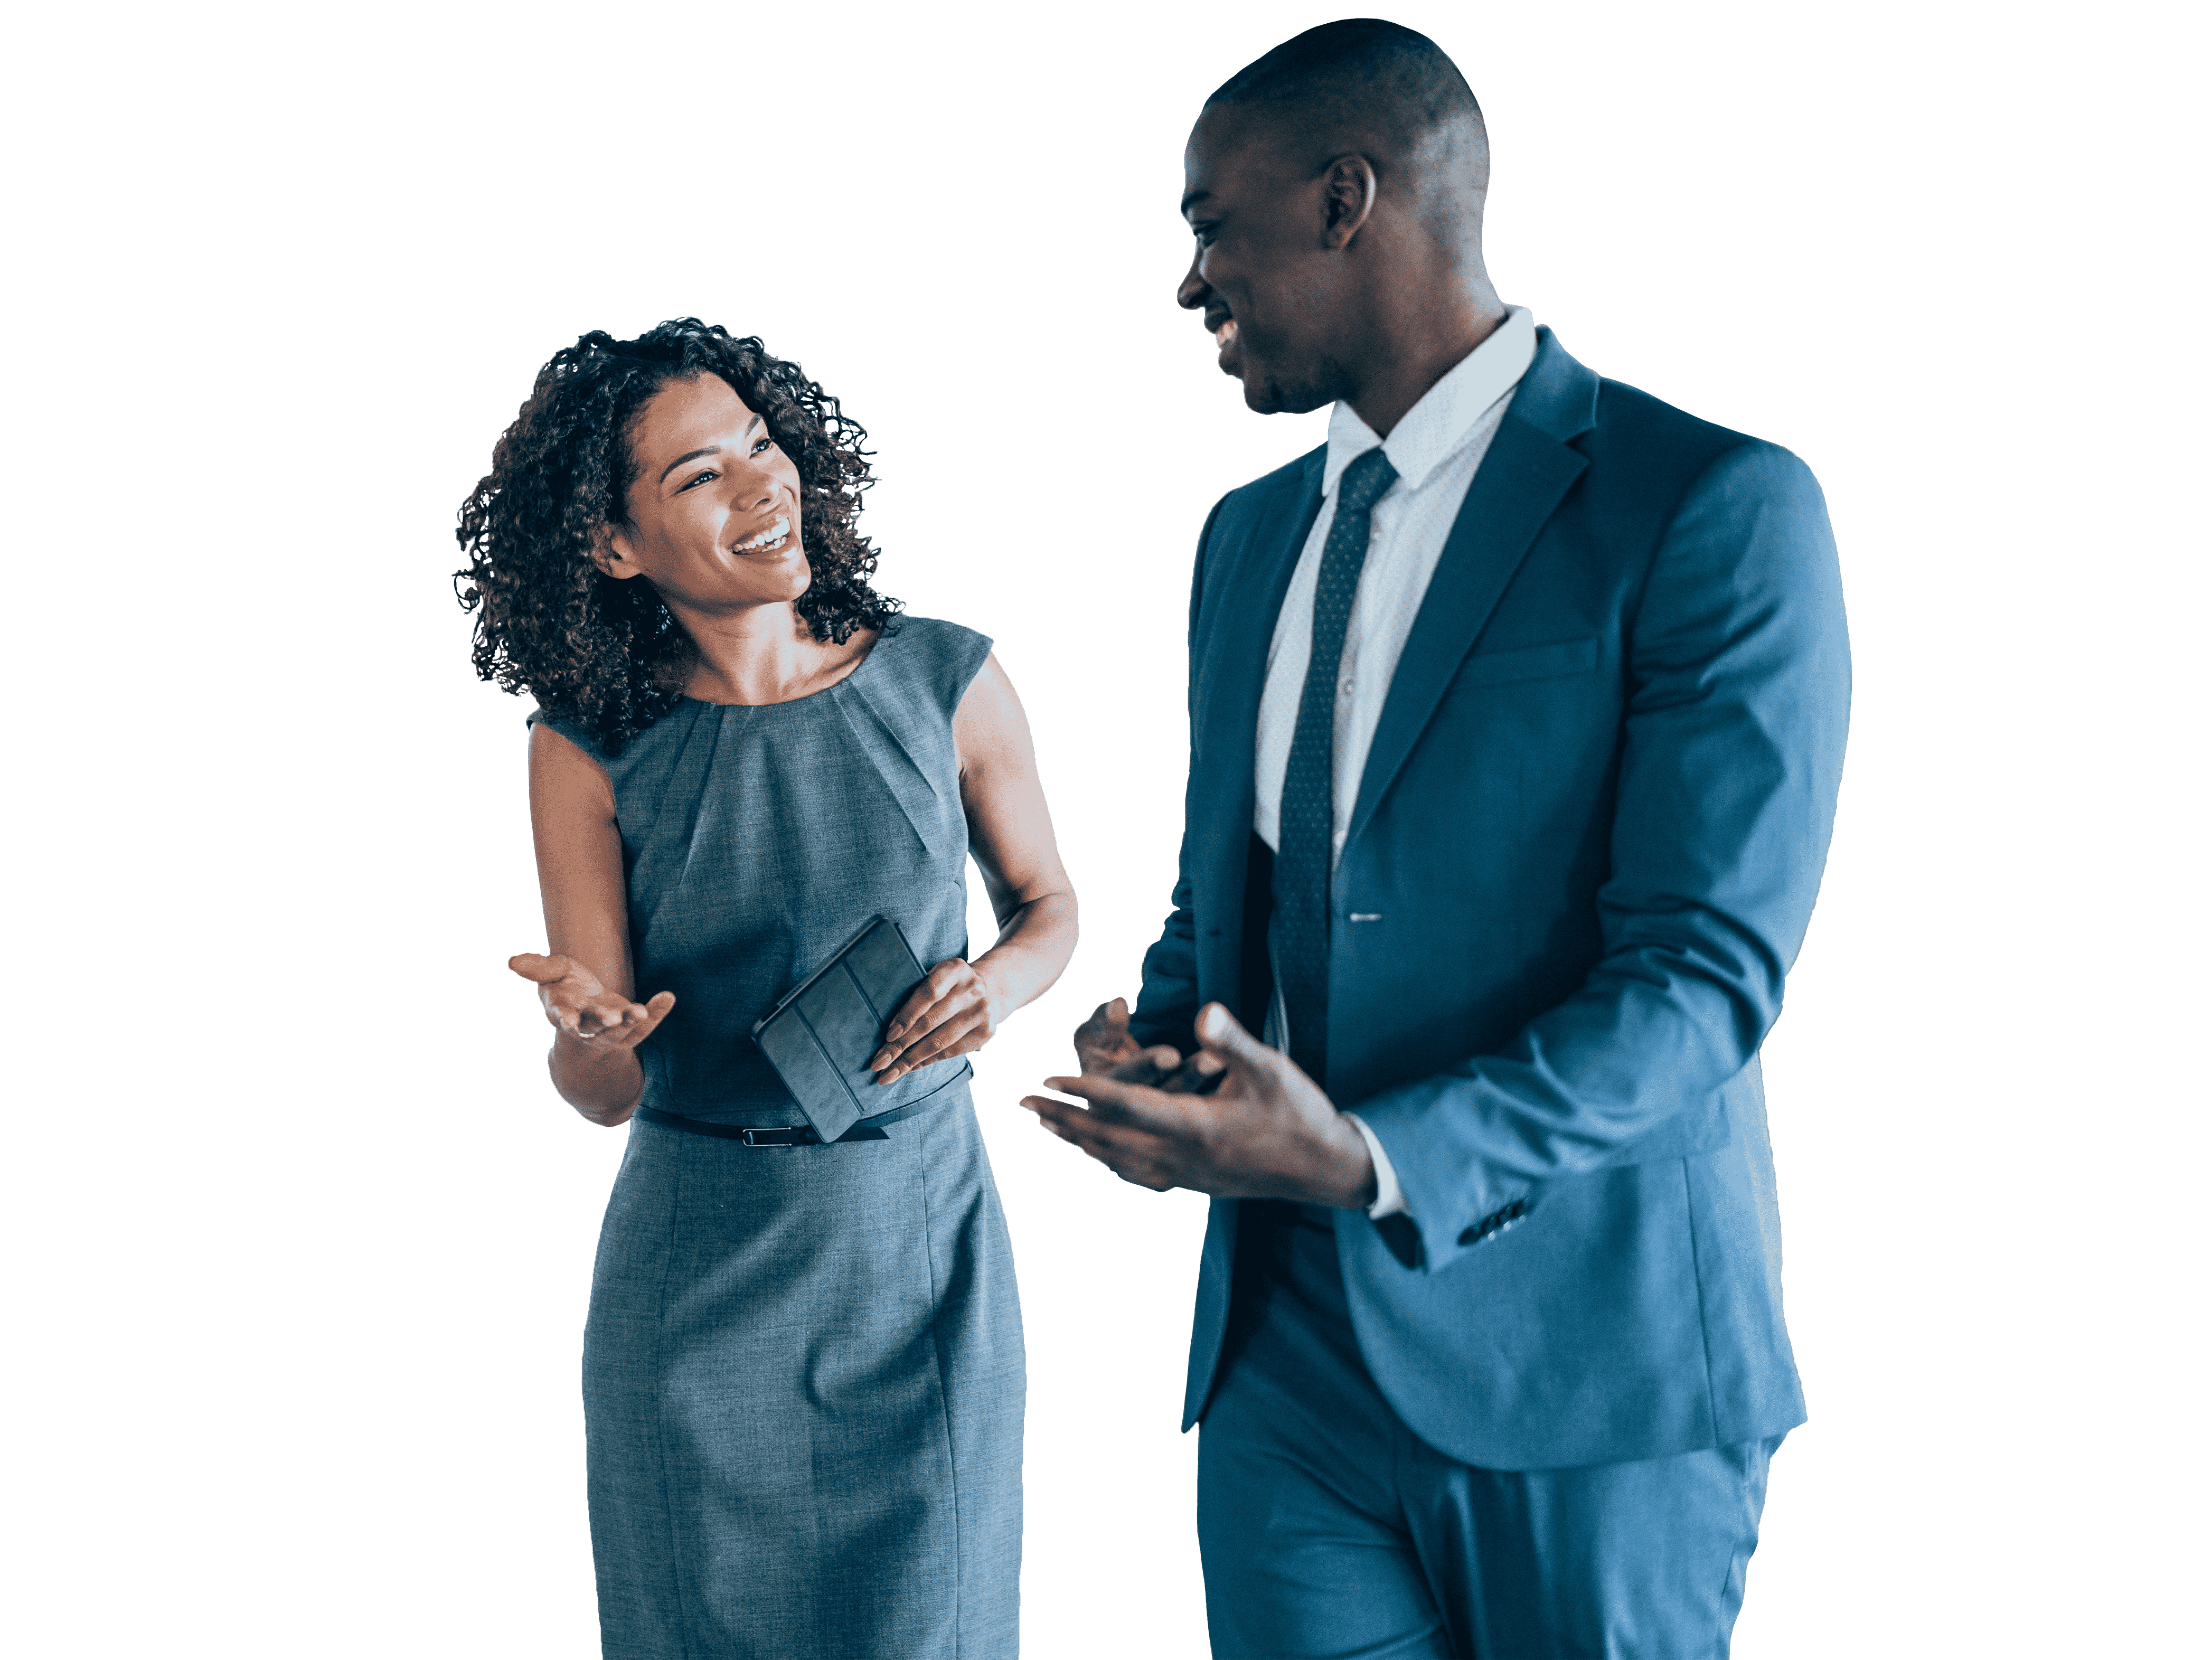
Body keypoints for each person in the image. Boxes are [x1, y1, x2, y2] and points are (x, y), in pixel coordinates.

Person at [1023, 20, 1849, 1658]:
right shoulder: (1247, 537)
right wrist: (1169, 1053)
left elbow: (1698, 982)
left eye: (1210, 222)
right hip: (1281, 1368)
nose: (1192, 278)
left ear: (1348, 200)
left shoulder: (1704, 506)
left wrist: (1372, 1159)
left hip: (1587, 1370)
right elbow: (1226, 892)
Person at [456, 319, 1072, 1659]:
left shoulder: (946, 679)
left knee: (935, 1627)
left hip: (918, 1249)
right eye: (699, 478)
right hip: (698, 1270)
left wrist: (1002, 985)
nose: (762, 485)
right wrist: (588, 1037)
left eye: (762, 446)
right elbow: (600, 1091)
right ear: (613, 547)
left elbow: (1051, 906)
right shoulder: (587, 750)